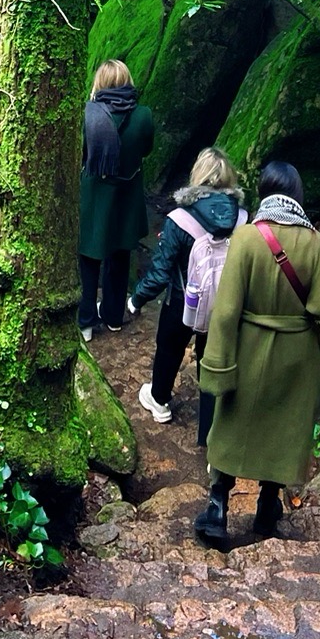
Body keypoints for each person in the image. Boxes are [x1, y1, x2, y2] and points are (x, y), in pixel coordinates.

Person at [195, 159, 320, 546]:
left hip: (248, 347)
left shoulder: (245, 238)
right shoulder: (315, 242)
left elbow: (224, 310)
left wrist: (217, 366)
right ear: (297, 196)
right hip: (296, 354)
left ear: (264, 193)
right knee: (282, 429)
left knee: (230, 423)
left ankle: (217, 506)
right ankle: (267, 507)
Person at [129, 149, 245, 442]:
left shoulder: (179, 219)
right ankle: (208, 433)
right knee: (211, 361)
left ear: (198, 176)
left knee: (169, 348)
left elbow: (159, 273)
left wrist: (136, 300)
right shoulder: (243, 218)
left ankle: (159, 401)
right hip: (225, 302)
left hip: (184, 300)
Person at [78, 59, 154, 341]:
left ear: (99, 83)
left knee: (89, 258)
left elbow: (83, 155)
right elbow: (146, 149)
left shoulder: (88, 115)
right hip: (127, 197)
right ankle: (113, 316)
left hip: (95, 197)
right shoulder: (143, 115)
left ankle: (85, 322)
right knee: (120, 256)